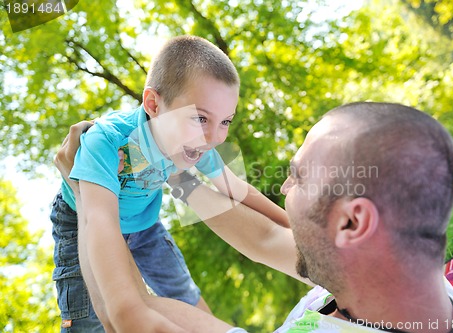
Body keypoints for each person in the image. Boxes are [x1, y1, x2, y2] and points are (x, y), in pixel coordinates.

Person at [55, 102, 453, 332]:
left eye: (298, 178)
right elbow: (262, 240)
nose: (282, 189)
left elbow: (128, 315)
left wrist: (87, 191)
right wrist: (175, 167)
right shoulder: (390, 280)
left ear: (352, 223)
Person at [50, 35, 289, 332]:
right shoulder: (107, 141)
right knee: (88, 319)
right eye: (201, 118)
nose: (215, 137)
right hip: (80, 216)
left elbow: (238, 190)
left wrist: (294, 228)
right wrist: (126, 310)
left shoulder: (193, 141)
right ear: (153, 104)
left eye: (225, 121)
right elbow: (99, 220)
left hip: (143, 223)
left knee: (182, 292)